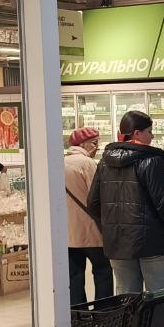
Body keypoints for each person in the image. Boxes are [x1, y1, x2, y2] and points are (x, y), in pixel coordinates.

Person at [88, 110, 164, 294]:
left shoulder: (104, 163)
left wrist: (112, 229)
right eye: (149, 132)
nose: (152, 136)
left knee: (127, 298)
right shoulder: (152, 161)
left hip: (119, 244)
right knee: (160, 297)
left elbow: (92, 204)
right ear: (137, 133)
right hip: (154, 243)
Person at [64, 128, 112, 306]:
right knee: (103, 272)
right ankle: (103, 312)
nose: (97, 147)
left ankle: (78, 314)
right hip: (91, 230)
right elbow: (98, 196)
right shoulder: (87, 164)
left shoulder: (59, 162)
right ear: (83, 144)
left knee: (74, 275)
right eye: (94, 143)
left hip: (68, 233)